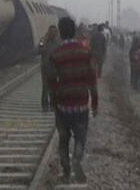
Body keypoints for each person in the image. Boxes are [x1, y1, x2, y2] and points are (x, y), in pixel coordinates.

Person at [49, 17, 98, 184]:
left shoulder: (56, 55)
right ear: (75, 31)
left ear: (61, 33)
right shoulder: (85, 52)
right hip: (81, 104)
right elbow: (92, 79)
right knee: (80, 136)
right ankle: (77, 159)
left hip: (63, 105)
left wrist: (54, 103)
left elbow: (51, 82)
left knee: (63, 139)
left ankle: (66, 172)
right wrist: (95, 103)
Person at [39, 25, 61, 111]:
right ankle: (45, 106)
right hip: (45, 67)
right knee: (45, 87)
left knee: (53, 88)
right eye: (51, 31)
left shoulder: (58, 42)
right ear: (48, 32)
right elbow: (39, 50)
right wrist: (43, 42)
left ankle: (53, 104)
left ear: (56, 33)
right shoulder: (43, 40)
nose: (53, 33)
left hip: (55, 68)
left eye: (54, 31)